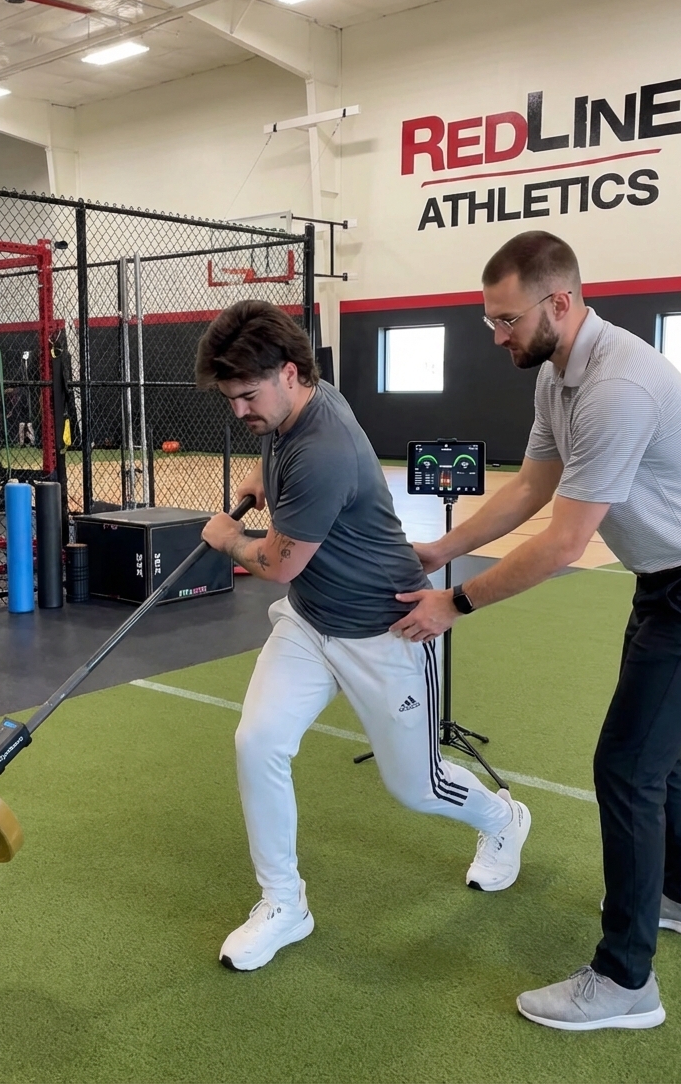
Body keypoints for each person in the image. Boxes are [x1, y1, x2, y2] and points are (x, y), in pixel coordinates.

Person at [393, 230, 681, 1032]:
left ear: (558, 303)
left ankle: (626, 982)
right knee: (653, 751)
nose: (497, 336)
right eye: (490, 320)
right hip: (667, 578)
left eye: (507, 320)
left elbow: (564, 543)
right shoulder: (558, 375)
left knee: (627, 767)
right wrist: (442, 550)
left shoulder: (616, 386)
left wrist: (454, 604)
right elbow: (532, 485)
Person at [196, 300, 530, 972]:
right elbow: (279, 456)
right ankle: (284, 903)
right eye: (230, 398)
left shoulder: (322, 450)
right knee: (257, 741)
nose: (239, 411)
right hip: (312, 621)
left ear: (290, 373)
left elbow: (277, 564)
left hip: (387, 629)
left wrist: (227, 536)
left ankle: (503, 820)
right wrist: (263, 472)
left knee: (416, 787)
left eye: (248, 396)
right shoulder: (296, 406)